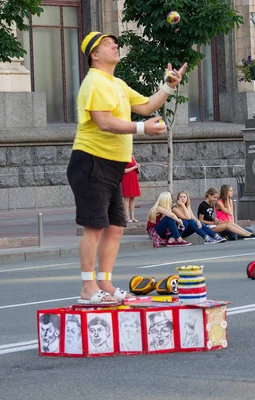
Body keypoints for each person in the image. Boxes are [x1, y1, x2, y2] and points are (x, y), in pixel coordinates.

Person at [66, 31, 187, 304]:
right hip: (91, 161)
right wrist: (143, 128)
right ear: (94, 55)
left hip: (112, 166)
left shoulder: (116, 83)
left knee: (116, 226)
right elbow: (104, 122)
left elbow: (146, 106)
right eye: (108, 44)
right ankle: (88, 288)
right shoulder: (94, 82)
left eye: (115, 43)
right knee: (94, 227)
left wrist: (168, 86)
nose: (115, 46)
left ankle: (104, 282)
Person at [121, 155, 141, 223]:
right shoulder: (123, 156)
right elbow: (123, 170)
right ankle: (127, 217)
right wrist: (134, 167)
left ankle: (133, 217)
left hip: (133, 177)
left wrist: (137, 167)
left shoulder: (132, 156)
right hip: (126, 178)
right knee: (127, 198)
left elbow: (135, 167)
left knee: (132, 198)